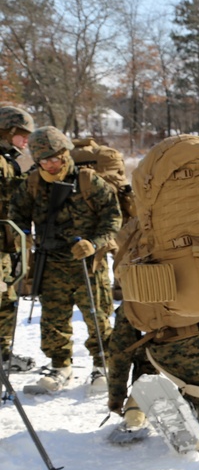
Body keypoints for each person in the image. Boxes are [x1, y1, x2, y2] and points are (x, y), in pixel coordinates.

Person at [10, 126, 120, 394]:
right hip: (50, 263)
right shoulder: (33, 184)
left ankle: (102, 365)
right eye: (44, 160)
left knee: (98, 316)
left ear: (64, 154)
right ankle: (60, 366)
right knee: (53, 319)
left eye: (55, 158)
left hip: (88, 262)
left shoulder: (88, 181)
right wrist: (21, 236)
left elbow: (113, 218)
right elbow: (18, 214)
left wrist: (93, 244)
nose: (50, 164)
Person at [106, 303, 199, 438]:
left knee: (144, 348)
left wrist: (116, 396)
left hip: (165, 350)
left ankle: (136, 406)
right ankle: (194, 416)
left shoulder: (137, 290)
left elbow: (120, 351)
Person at [0, 105, 35, 372]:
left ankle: (2, 354)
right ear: (8, 130)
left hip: (6, 244)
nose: (26, 141)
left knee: (7, 300)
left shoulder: (9, 158)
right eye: (22, 134)